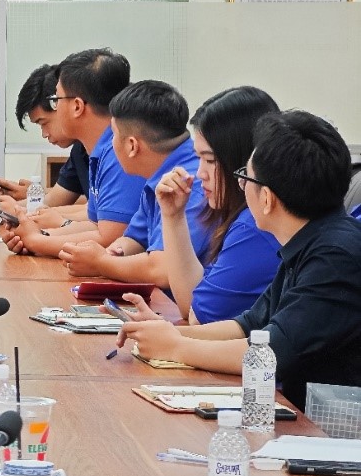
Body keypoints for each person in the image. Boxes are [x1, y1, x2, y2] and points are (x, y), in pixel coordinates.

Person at [115, 110, 361, 409]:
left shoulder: (336, 255)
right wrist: (168, 333)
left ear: (266, 198)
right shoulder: (310, 238)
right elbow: (249, 325)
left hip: (331, 426)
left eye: (245, 177)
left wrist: (177, 347)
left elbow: (272, 353)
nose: (241, 187)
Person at [59, 80, 210, 288]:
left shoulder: (190, 182)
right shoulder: (158, 174)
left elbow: (163, 269)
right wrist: (112, 253)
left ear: (132, 146)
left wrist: (101, 263)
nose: (111, 144)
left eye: (113, 135)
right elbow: (135, 239)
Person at [0, 49, 146, 258]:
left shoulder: (120, 151)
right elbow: (94, 224)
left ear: (77, 106)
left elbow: (110, 240)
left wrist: (37, 240)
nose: (55, 108)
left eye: (56, 100)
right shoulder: (98, 152)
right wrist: (38, 235)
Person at [154, 87, 282, 323]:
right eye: (198, 158)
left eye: (211, 160)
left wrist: (164, 331)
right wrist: (173, 216)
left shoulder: (255, 226)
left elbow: (198, 317)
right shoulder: (240, 215)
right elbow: (193, 305)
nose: (200, 173)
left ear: (245, 160)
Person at [0, 64, 90, 223]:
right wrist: (1, 208)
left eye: (44, 123)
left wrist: (22, 211)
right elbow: (54, 200)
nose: (44, 134)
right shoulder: (80, 150)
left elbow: (99, 215)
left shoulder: (112, 149)